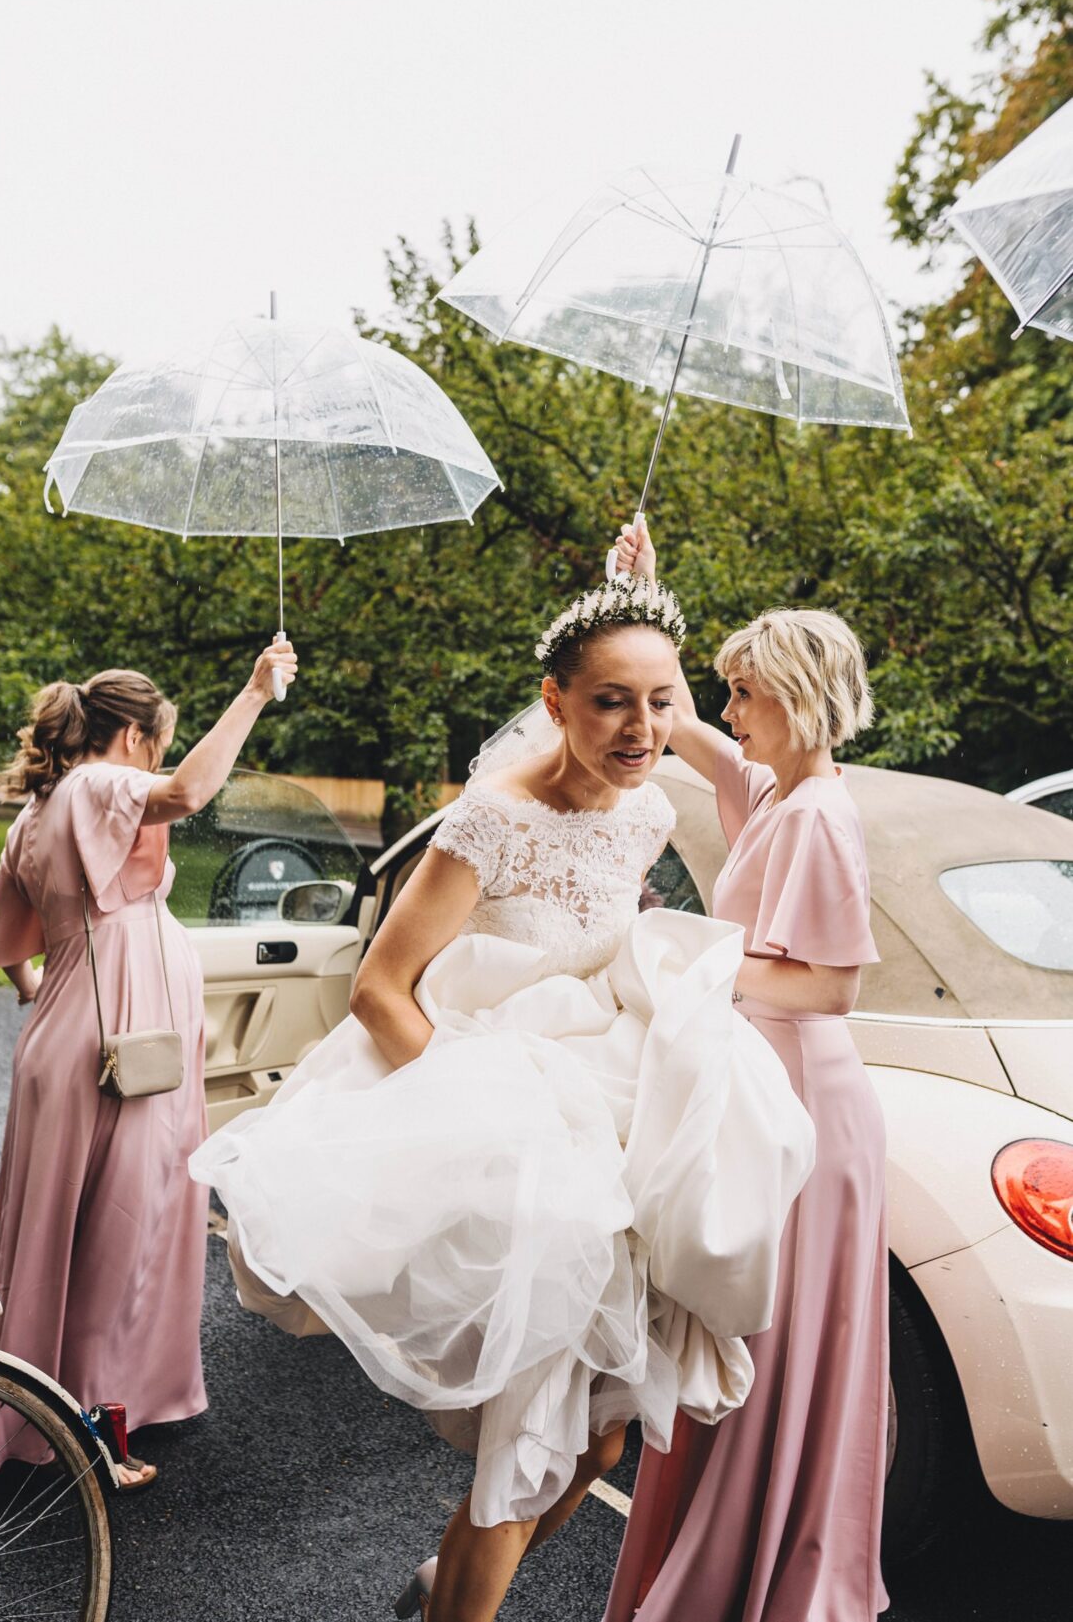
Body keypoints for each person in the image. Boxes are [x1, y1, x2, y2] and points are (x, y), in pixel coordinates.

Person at [190, 579, 815, 1622]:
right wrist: (486, 1123)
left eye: (662, 700)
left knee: (601, 1439)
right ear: (555, 699)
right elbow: (378, 989)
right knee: (532, 1436)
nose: (641, 727)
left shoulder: (650, 810)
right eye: (612, 700)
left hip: (606, 1118)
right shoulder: (490, 818)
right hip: (501, 1126)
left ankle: (442, 1588)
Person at [603, 519, 888, 1622]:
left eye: (742, 694)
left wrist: (694, 962)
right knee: (738, 1332)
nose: (726, 713)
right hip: (762, 1096)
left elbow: (828, 986)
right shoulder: (774, 793)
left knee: (766, 1338)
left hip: (808, 1111)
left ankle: (772, 1570)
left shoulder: (818, 815)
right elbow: (671, 731)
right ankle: (734, 1555)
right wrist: (640, 597)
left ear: (796, 697)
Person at [0, 641, 297, 1489]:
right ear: (135, 736)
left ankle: (34, 1401)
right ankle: (96, 1431)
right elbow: (189, 792)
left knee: (56, 1232)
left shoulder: (34, 812)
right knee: (124, 1231)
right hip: (122, 1059)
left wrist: (61, 994)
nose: (160, 756)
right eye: (162, 739)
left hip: (70, 1042)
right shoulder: (99, 783)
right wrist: (256, 693)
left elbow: (6, 946)